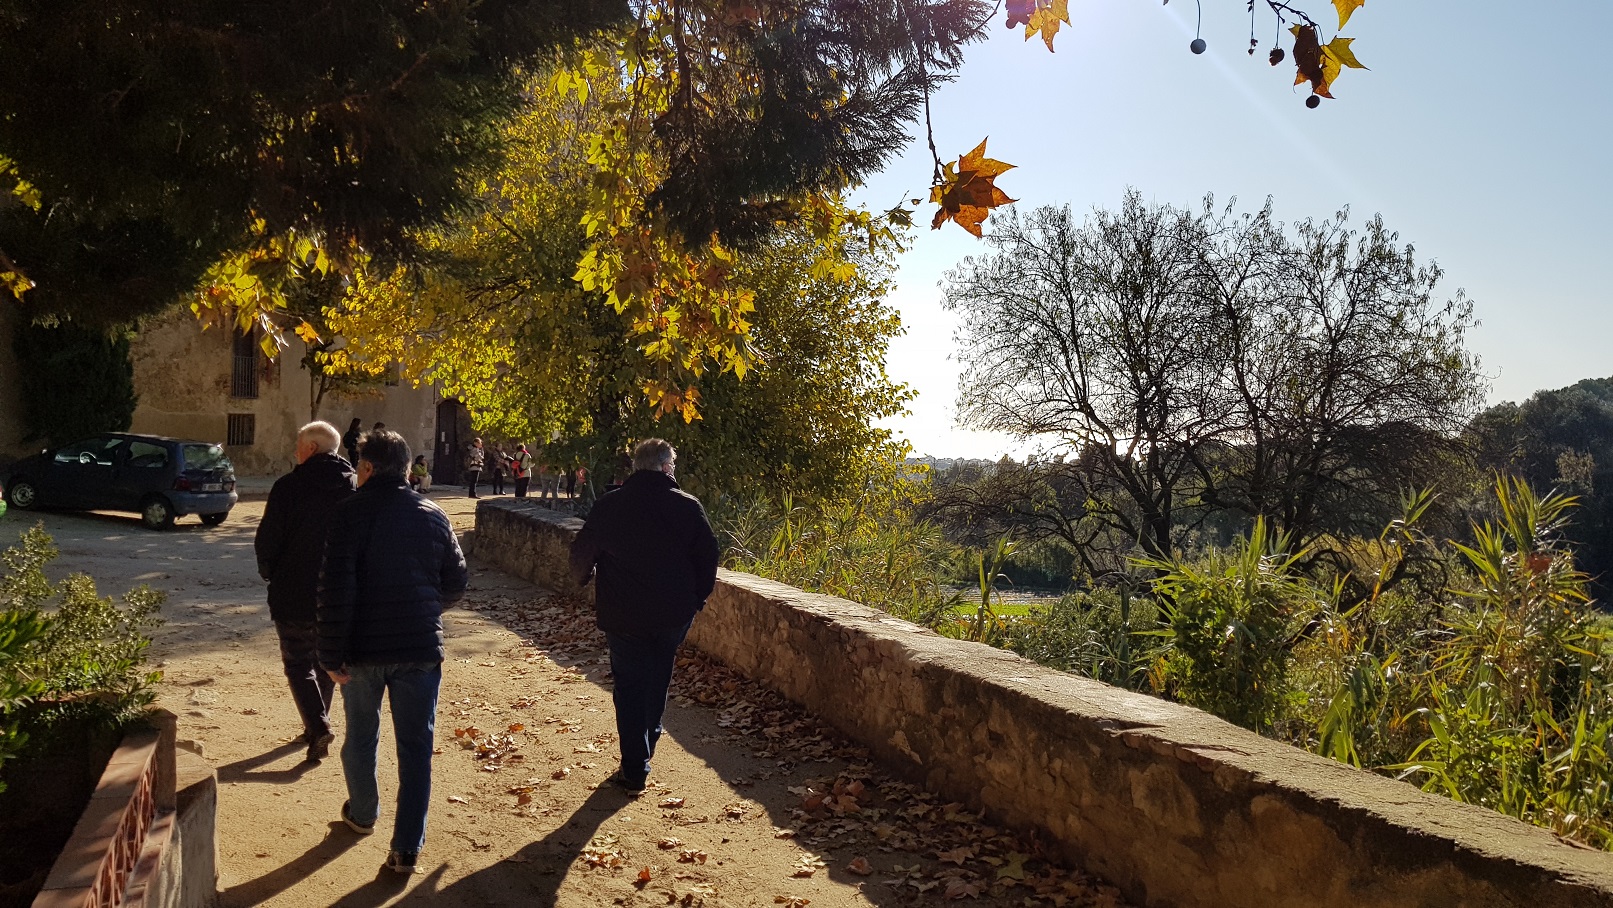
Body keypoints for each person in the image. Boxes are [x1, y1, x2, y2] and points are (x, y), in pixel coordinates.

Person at [318, 430, 468, 874]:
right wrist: (423, 607)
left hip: (362, 649)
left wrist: (330, 655)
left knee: (361, 737)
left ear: (366, 468)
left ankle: (363, 813)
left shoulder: (346, 514)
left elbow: (334, 590)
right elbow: (456, 582)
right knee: (416, 748)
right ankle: (406, 847)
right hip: (419, 647)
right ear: (406, 469)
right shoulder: (433, 514)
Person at [569, 439, 720, 794]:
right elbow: (708, 556)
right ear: (666, 467)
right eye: (673, 466)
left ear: (637, 467)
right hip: (672, 614)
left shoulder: (610, 505)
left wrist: (582, 578)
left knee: (630, 685)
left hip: (623, 615)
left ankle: (635, 766)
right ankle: (647, 741)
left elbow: (581, 554)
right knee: (658, 676)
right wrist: (696, 599)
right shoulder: (687, 506)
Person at [254, 421, 356, 762]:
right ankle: (317, 723)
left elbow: (268, 539)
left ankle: (318, 725)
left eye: (298, 445)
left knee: (298, 662)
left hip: (293, 588)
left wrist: (270, 573)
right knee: (326, 659)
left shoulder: (288, 486)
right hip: (338, 591)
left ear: (311, 448)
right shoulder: (354, 486)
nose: (295, 451)